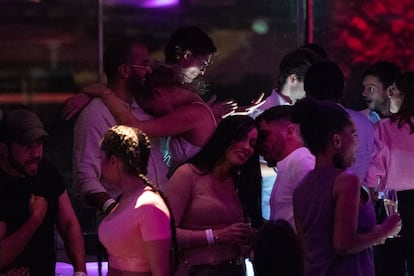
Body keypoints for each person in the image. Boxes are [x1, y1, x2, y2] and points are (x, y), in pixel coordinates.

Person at [292, 98, 401, 276]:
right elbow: (343, 244)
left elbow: (305, 248)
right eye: (354, 135)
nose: (358, 145)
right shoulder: (346, 181)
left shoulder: (301, 188)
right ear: (336, 141)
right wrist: (384, 231)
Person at [72, 38, 169, 216]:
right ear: (124, 70)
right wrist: (113, 209)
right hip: (123, 227)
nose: (149, 70)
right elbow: (85, 176)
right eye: (144, 64)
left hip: (159, 220)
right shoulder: (95, 114)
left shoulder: (145, 108)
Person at [78, 63, 217, 179]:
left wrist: (105, 94)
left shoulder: (195, 113)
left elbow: (134, 128)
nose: (154, 115)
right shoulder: (193, 108)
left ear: (158, 94)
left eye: (151, 109)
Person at [165, 115, 263, 276]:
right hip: (195, 270)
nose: (247, 147)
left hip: (234, 270)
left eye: (252, 144)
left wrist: (250, 239)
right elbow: (164, 234)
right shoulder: (188, 174)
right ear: (225, 137)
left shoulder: (241, 183)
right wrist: (215, 236)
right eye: (241, 138)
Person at [0, 108, 87, 276]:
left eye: (38, 144)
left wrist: (80, 271)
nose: (36, 153)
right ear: (4, 149)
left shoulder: (46, 171)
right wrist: (35, 219)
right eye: (27, 146)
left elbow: (69, 224)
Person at [98, 125, 177, 276]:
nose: (99, 166)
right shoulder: (125, 200)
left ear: (113, 161)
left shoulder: (149, 206)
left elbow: (161, 272)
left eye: (101, 158)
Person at [365, 72, 414, 276]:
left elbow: (373, 173)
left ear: (403, 95)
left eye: (393, 90)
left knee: (389, 264)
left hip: (394, 203)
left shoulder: (384, 128)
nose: (390, 95)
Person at [304, 61, 374, 184]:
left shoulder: (307, 124)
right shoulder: (364, 123)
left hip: (318, 200)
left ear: (307, 91)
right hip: (358, 199)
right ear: (342, 89)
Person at [256, 105, 315, 230]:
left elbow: (315, 221)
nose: (259, 143)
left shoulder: (302, 161)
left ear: (289, 131)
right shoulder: (290, 164)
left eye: (264, 135)